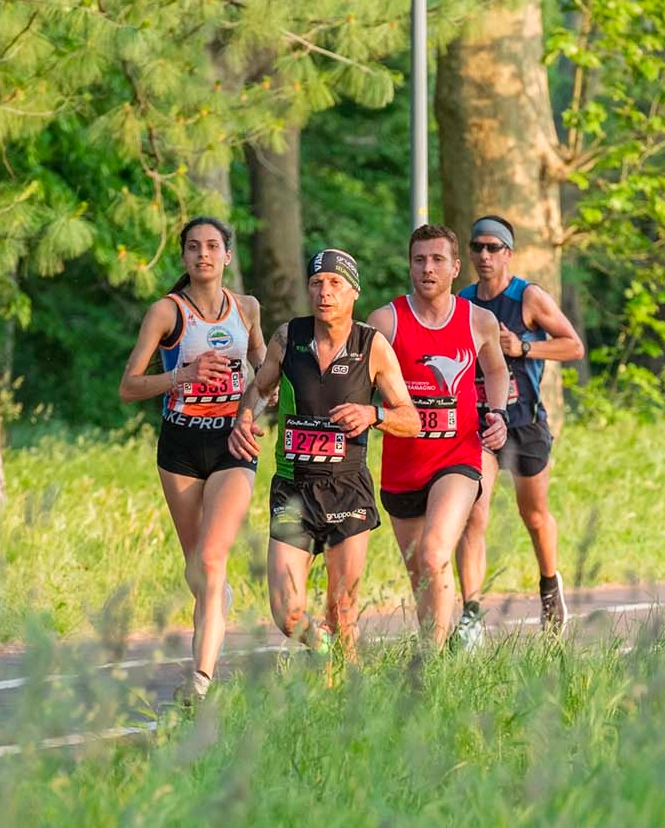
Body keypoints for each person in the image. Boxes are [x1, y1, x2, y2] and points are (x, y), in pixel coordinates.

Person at [229, 249, 418, 657]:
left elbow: (411, 418)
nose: (324, 292)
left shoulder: (372, 345)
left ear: (353, 293)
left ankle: (347, 699)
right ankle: (329, 653)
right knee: (287, 613)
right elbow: (260, 389)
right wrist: (245, 417)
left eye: (335, 284)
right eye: (316, 283)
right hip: (293, 490)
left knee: (342, 610)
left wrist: (372, 413)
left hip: (347, 488)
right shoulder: (288, 337)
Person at [119, 217, 266, 704]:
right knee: (197, 573)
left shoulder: (246, 309)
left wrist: (251, 414)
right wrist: (182, 375)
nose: (202, 254)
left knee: (210, 558)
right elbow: (129, 387)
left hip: (231, 446)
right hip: (180, 448)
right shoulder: (166, 312)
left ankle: (199, 681)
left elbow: (262, 375)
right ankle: (214, 605)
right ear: (183, 257)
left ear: (227, 255)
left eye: (212, 246)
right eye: (193, 247)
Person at [369, 224, 509, 648]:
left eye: (436, 260)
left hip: (458, 456)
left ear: (454, 267)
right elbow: (359, 382)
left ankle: (434, 658)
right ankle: (438, 651)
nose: (427, 268)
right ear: (409, 265)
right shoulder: (385, 321)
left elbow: (497, 369)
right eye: (419, 259)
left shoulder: (479, 320)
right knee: (420, 571)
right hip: (402, 463)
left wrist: (498, 412)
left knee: (434, 552)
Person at [454, 216, 584, 645]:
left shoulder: (527, 297)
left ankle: (550, 586)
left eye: (493, 248)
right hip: (479, 423)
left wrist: (524, 346)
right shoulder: (463, 302)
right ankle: (471, 613)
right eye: (477, 247)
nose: (484, 256)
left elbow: (573, 345)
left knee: (533, 514)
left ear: (509, 252)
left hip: (524, 422)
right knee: (475, 513)